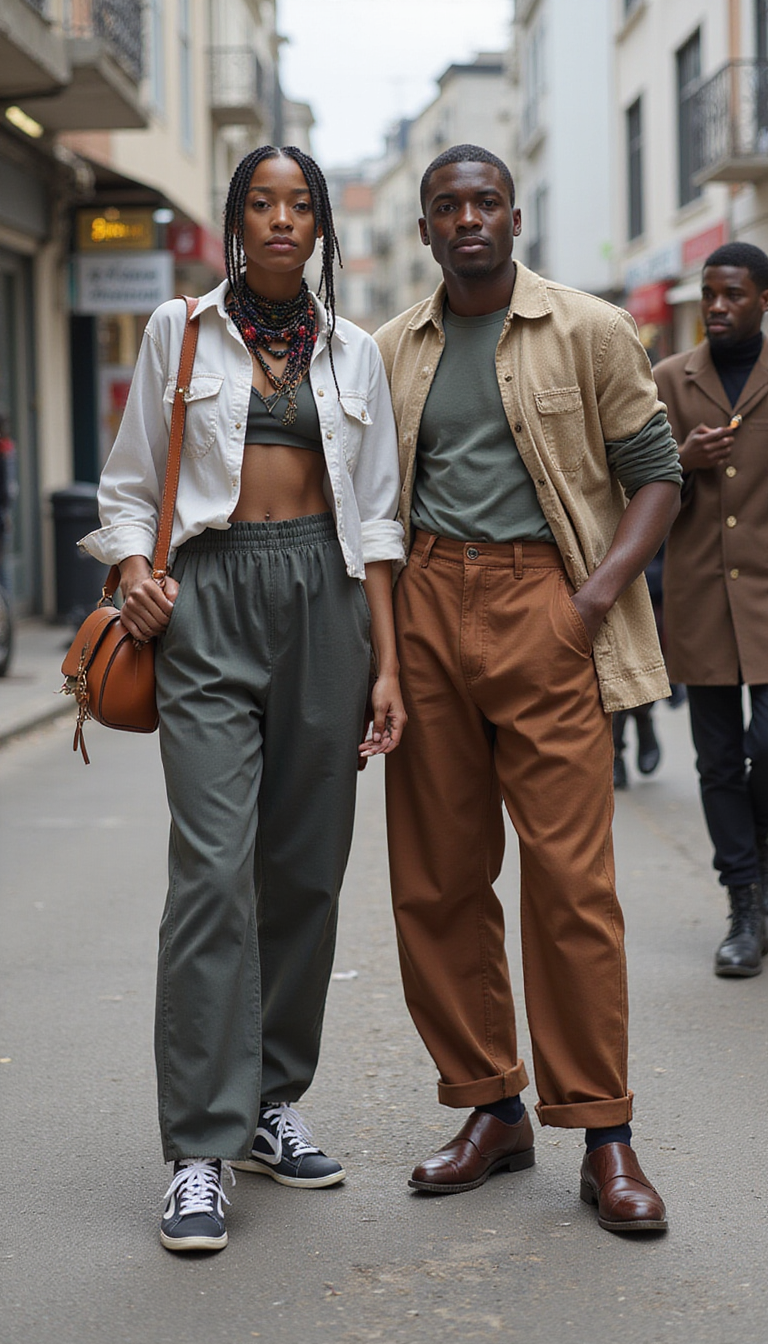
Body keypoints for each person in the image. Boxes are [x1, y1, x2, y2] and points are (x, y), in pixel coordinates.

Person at [79, 146, 406, 1252]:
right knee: (213, 873)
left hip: (326, 601)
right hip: (208, 602)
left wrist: (389, 664)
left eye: (299, 204)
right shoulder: (180, 331)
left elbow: (379, 523)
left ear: (320, 227)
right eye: (261, 202)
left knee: (306, 868)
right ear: (235, 219)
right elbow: (130, 486)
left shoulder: (355, 352)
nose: (281, 219)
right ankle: (198, 1149)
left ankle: (270, 1100)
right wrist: (136, 572)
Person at [374, 145, 681, 1234]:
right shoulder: (391, 349)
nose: (468, 219)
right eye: (447, 206)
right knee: (437, 880)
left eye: (486, 202)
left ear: (515, 217)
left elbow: (658, 476)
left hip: (544, 605)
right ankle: (492, 1108)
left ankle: (605, 1134)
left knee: (571, 884)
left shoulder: (590, 329)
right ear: (425, 229)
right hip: (425, 606)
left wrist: (587, 604)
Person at [654, 241, 768, 979]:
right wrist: (681, 461)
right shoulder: (668, 379)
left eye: (732, 294)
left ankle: (760, 866)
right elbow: (629, 490)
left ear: (763, 300)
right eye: (708, 295)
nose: (717, 307)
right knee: (719, 760)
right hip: (701, 600)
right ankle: (745, 906)